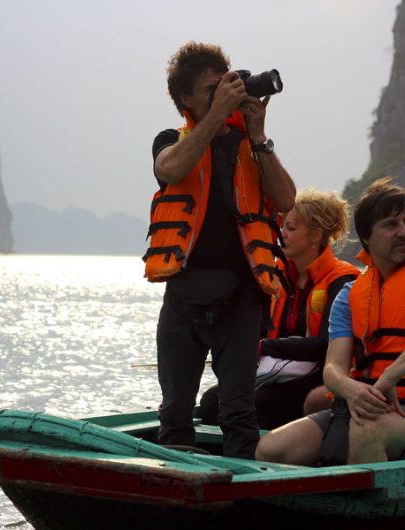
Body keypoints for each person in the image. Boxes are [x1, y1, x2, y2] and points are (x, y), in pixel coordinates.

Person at [255, 178, 405, 465]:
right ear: (366, 237)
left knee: (368, 432)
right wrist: (351, 390)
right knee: (271, 448)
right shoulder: (352, 293)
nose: (404, 232)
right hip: (367, 406)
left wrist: (389, 378)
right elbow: (333, 368)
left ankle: (373, 505)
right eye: (390, 225)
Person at [144, 42, 296, 459]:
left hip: (242, 298)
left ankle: (241, 500)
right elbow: (171, 169)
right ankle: (176, 497)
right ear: (186, 101)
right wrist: (213, 117)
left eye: (226, 85)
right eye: (212, 90)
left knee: (239, 412)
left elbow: (285, 201)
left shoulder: (251, 145)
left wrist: (259, 134)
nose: (225, 95)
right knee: (175, 412)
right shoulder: (171, 140)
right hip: (183, 297)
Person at [199, 189, 359, 430]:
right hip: (277, 373)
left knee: (256, 403)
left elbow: (327, 344)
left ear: (315, 235)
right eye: (281, 227)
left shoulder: (342, 281)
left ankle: (264, 456)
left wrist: (264, 347)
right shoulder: (274, 276)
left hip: (322, 376)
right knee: (212, 401)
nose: (281, 234)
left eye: (291, 229)